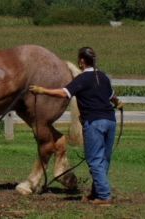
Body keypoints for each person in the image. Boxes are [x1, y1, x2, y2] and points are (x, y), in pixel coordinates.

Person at [29, 47, 123, 206]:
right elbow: (112, 96)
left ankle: (105, 196)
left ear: (81, 61)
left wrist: (42, 90)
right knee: (103, 160)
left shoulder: (82, 79)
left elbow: (64, 93)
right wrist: (118, 103)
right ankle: (96, 193)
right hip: (110, 121)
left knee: (94, 160)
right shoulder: (103, 77)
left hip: (94, 123)